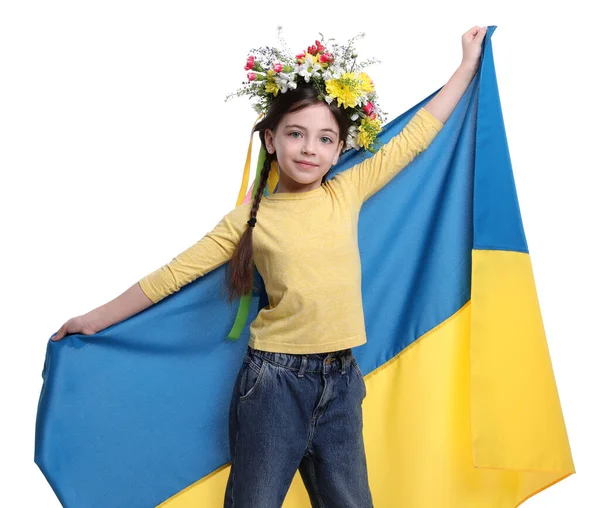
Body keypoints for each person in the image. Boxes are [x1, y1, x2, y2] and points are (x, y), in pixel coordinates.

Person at [51, 26, 487, 508]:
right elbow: (173, 275)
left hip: (341, 382)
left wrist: (465, 66)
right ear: (271, 139)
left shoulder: (346, 191)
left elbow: (415, 138)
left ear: (340, 149)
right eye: (296, 134)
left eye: (325, 139)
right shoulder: (252, 219)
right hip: (273, 386)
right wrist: (92, 320)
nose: (309, 149)